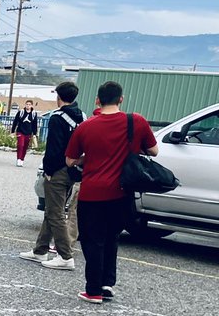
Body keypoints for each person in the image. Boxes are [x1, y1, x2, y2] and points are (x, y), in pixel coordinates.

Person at [64, 81, 157, 304]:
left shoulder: (86, 127)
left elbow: (70, 160)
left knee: (92, 240)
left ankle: (93, 289)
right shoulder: (136, 121)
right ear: (121, 99)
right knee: (111, 237)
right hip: (122, 192)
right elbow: (153, 150)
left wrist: (88, 158)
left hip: (93, 191)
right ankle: (107, 283)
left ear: (98, 100)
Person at [19, 82, 84, 269]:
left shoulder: (58, 118)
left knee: (55, 213)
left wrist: (48, 170)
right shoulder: (82, 116)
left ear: (59, 97)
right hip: (73, 169)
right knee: (52, 209)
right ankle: (40, 250)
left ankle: (66, 256)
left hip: (58, 170)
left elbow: (54, 149)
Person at [11, 100, 39, 166]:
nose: (28, 106)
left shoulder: (34, 114)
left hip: (28, 132)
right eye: (27, 104)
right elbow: (15, 121)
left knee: (25, 147)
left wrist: (34, 133)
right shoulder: (21, 112)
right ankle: (18, 159)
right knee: (21, 145)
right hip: (20, 131)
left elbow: (35, 124)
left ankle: (22, 159)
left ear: (31, 105)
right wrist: (13, 131)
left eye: (29, 104)